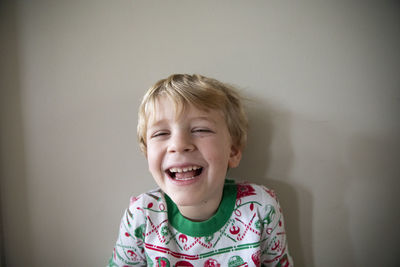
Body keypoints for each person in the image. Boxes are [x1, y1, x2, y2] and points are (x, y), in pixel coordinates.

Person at [108, 74, 293, 266]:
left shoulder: (261, 208)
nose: (179, 145)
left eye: (200, 130)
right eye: (161, 133)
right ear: (147, 154)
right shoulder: (141, 214)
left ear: (233, 151)